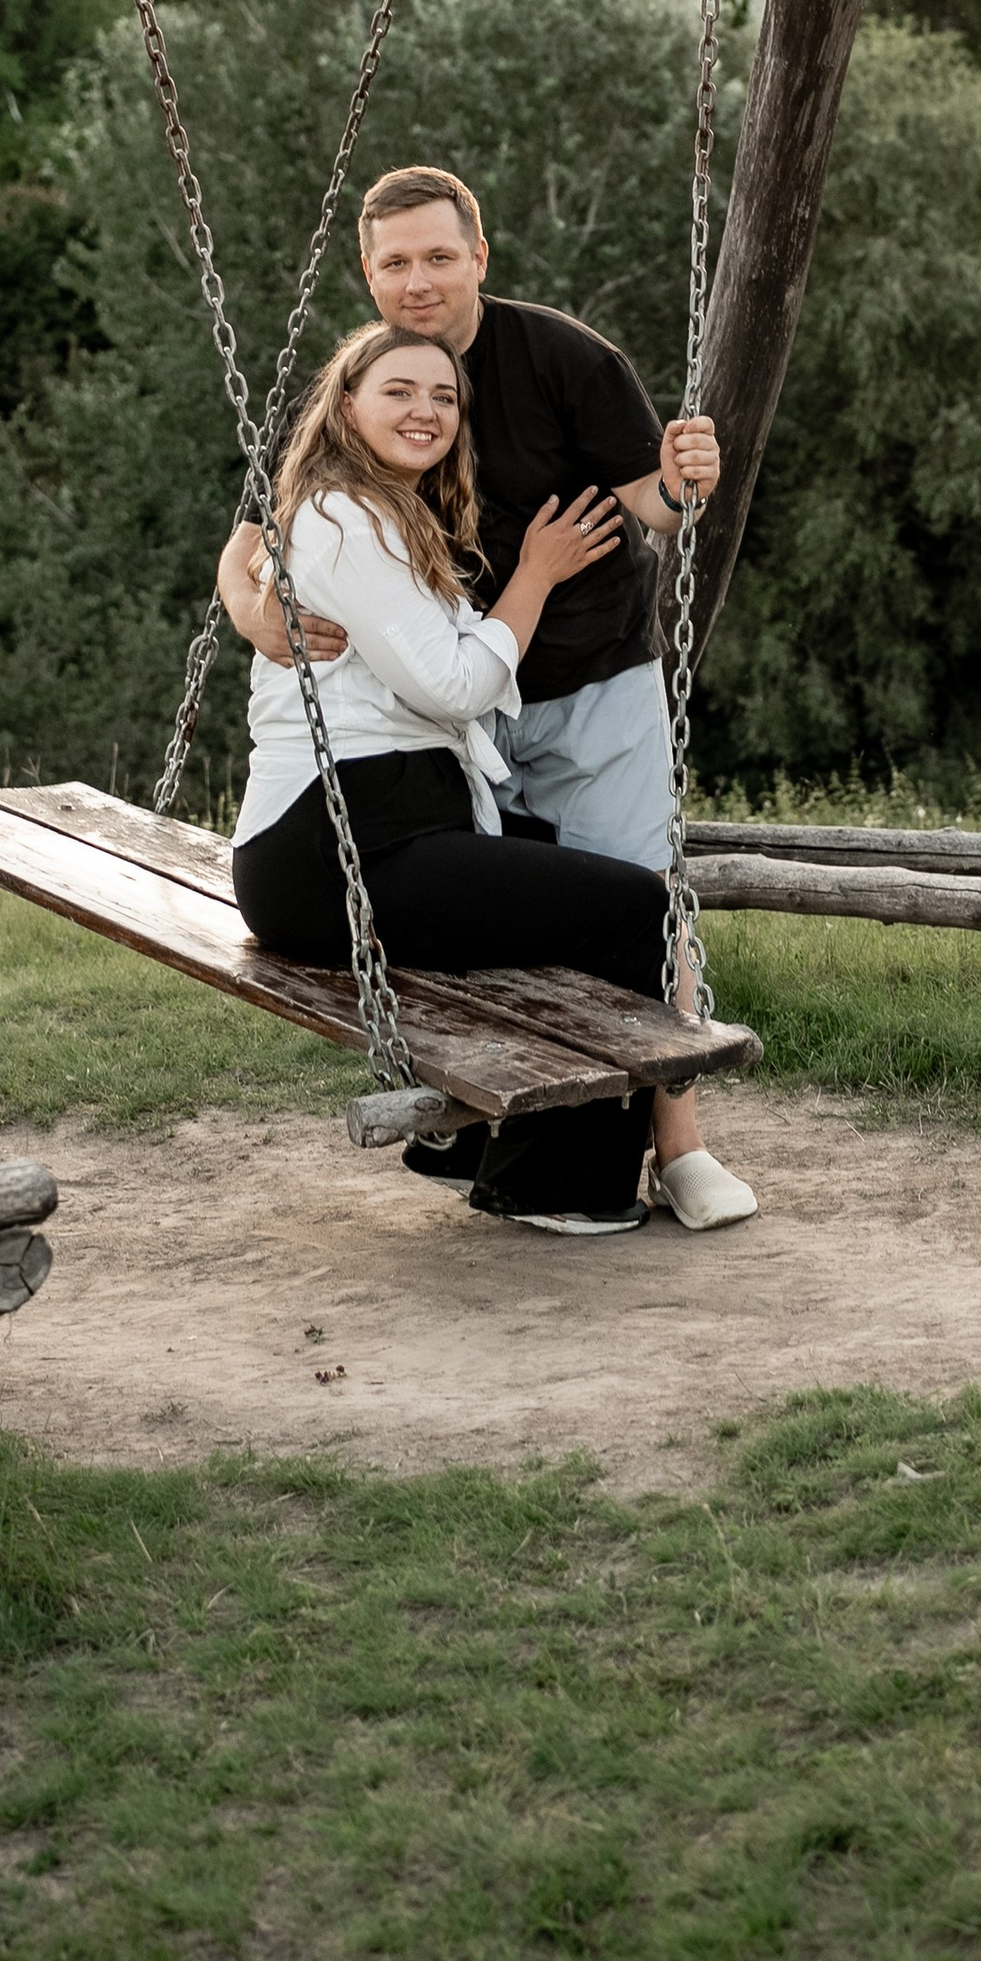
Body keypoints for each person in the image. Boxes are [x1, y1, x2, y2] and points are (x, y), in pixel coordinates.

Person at [223, 161, 758, 1232]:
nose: (416, 281)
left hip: (584, 674)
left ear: (478, 255)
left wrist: (682, 479)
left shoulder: (560, 357)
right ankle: (512, 1152)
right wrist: (252, 613)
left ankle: (679, 1145)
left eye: (436, 257)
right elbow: (253, 538)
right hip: (456, 714)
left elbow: (646, 500)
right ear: (367, 276)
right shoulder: (355, 405)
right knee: (534, 927)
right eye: (393, 263)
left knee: (631, 899)